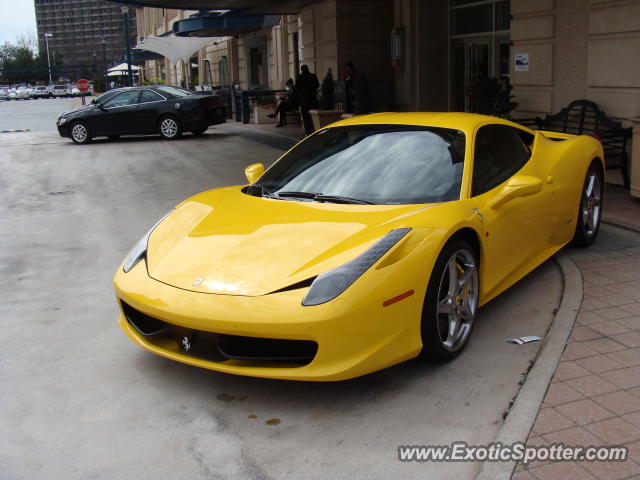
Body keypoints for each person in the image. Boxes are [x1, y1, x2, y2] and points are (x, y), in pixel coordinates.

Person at [296, 64, 319, 135]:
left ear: (301, 70)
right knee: (313, 116)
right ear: (308, 69)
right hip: (313, 100)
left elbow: (297, 89)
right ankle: (315, 130)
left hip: (304, 101)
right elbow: (317, 85)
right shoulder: (313, 76)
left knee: (306, 118)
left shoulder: (299, 77)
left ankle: (309, 132)